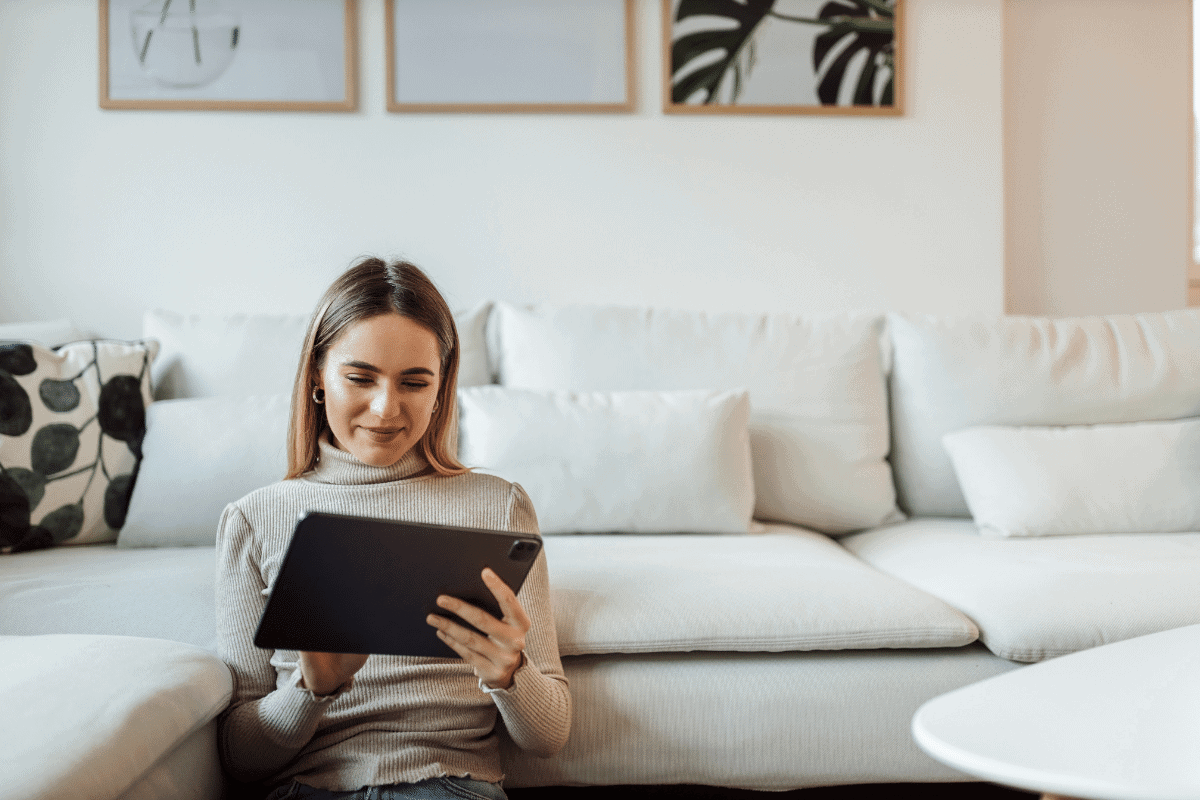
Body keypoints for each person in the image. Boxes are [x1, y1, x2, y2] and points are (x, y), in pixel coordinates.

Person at [215, 257, 571, 800]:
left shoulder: (499, 506)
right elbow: (239, 757)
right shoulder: (254, 518)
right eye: (359, 378)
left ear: (440, 389)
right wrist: (312, 690)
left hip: (450, 787)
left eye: (414, 382)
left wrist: (510, 675)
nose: (385, 410)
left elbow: (548, 736)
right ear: (317, 375)